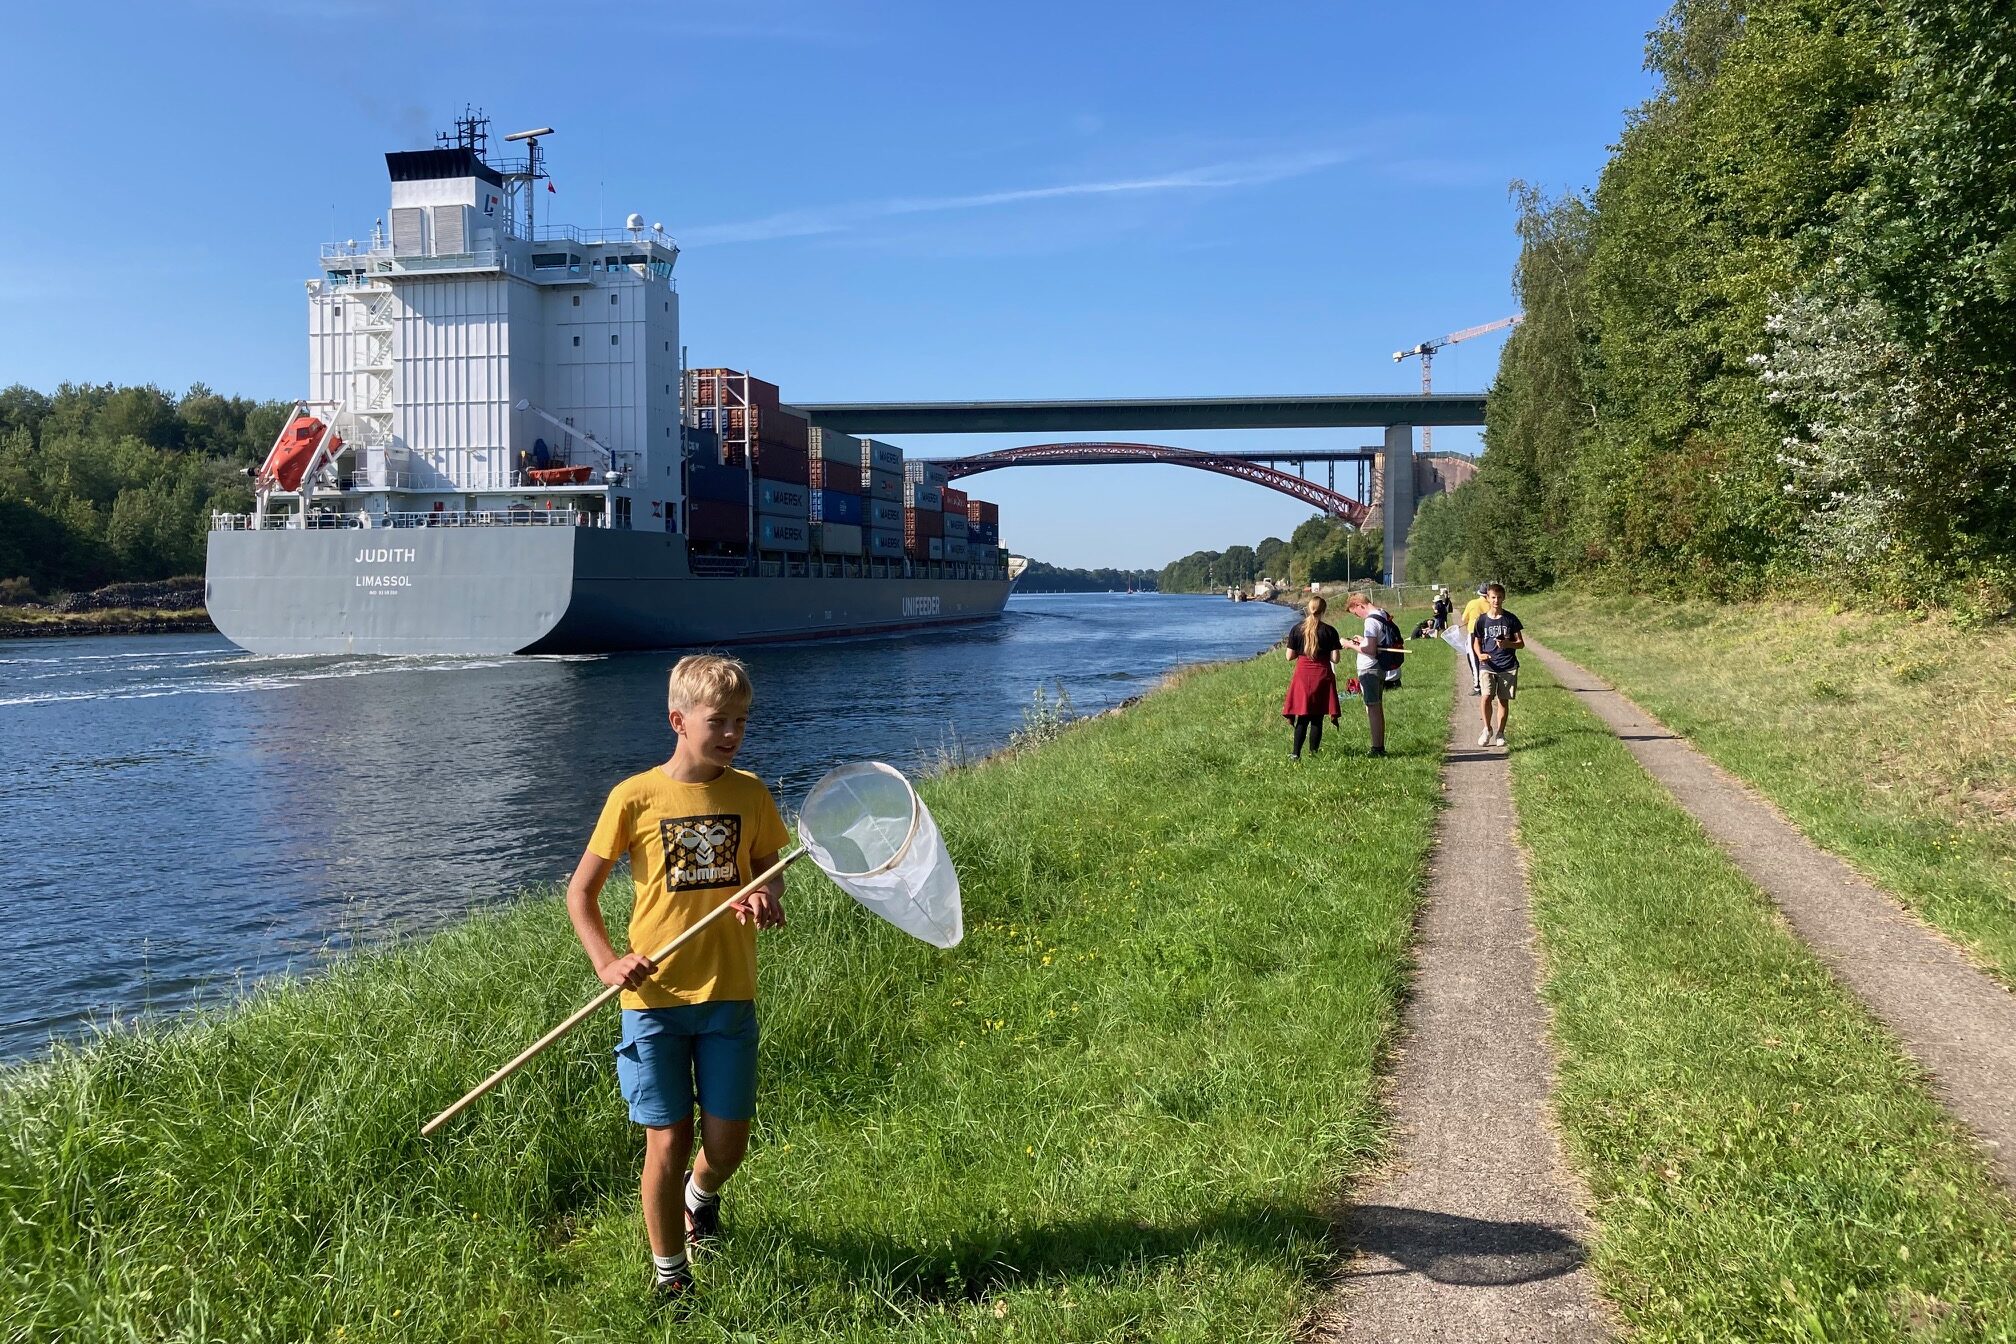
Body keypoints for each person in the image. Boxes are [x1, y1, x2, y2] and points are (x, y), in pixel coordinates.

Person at [565, 654, 792, 1303]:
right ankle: (672, 1277)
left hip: (729, 995)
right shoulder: (633, 798)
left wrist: (763, 894)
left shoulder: (749, 792)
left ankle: (703, 1197)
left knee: (727, 1145)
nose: (732, 733)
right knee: (668, 1140)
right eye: (719, 720)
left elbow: (768, 869)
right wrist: (608, 963)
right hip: (654, 1002)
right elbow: (581, 894)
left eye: (742, 721)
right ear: (678, 718)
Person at [1281, 596, 1343, 758]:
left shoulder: (1296, 629)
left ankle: (1295, 754)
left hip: (1302, 675)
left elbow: (1289, 656)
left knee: (1303, 716)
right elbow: (1335, 659)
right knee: (1317, 717)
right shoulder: (1330, 631)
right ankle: (1313, 753)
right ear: (1323, 610)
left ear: (1308, 608)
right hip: (1322, 675)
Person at [1470, 583, 1525, 748]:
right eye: (1493, 597)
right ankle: (1487, 729)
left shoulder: (1511, 619)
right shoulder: (1482, 620)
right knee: (1486, 696)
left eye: (1499, 597)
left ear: (1504, 598)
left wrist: (1508, 644)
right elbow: (1476, 642)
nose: (1496, 600)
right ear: (1487, 598)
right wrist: (1480, 655)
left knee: (1503, 700)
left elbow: (1521, 643)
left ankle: (1501, 733)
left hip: (1507, 665)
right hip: (1488, 664)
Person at [1344, 591, 1399, 757]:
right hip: (1380, 667)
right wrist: (1363, 640)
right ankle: (1378, 745)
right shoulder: (1382, 613)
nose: (1358, 617)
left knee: (1372, 708)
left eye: (1356, 613)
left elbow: (1370, 649)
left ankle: (1377, 748)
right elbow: (1375, 642)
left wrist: (1349, 644)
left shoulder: (1370, 621)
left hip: (1370, 669)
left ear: (1360, 605)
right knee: (1376, 706)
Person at [1459, 584, 1491, 696]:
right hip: (1488, 634)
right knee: (1487, 657)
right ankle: (1490, 682)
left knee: (1474, 660)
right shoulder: (1491, 604)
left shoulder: (1472, 603)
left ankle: (1478, 687)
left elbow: (1464, 619)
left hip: (1473, 633)